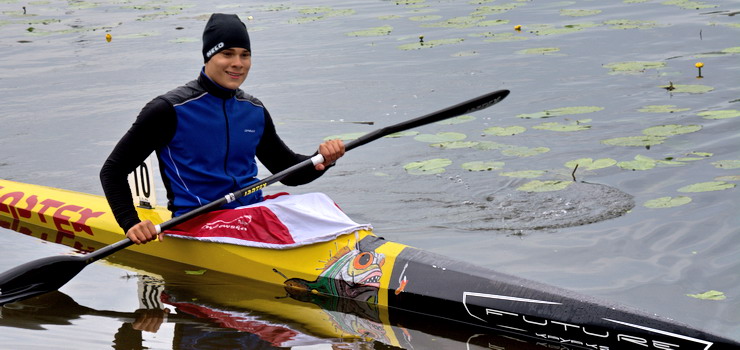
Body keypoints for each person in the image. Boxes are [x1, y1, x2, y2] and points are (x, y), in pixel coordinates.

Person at [100, 13, 345, 245]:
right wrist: (130, 222)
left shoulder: (253, 110)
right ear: (209, 57)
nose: (238, 64)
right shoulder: (169, 110)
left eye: (244, 55)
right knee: (274, 218)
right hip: (196, 221)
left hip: (250, 213)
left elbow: (289, 172)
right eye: (227, 54)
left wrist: (323, 158)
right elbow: (113, 171)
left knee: (319, 203)